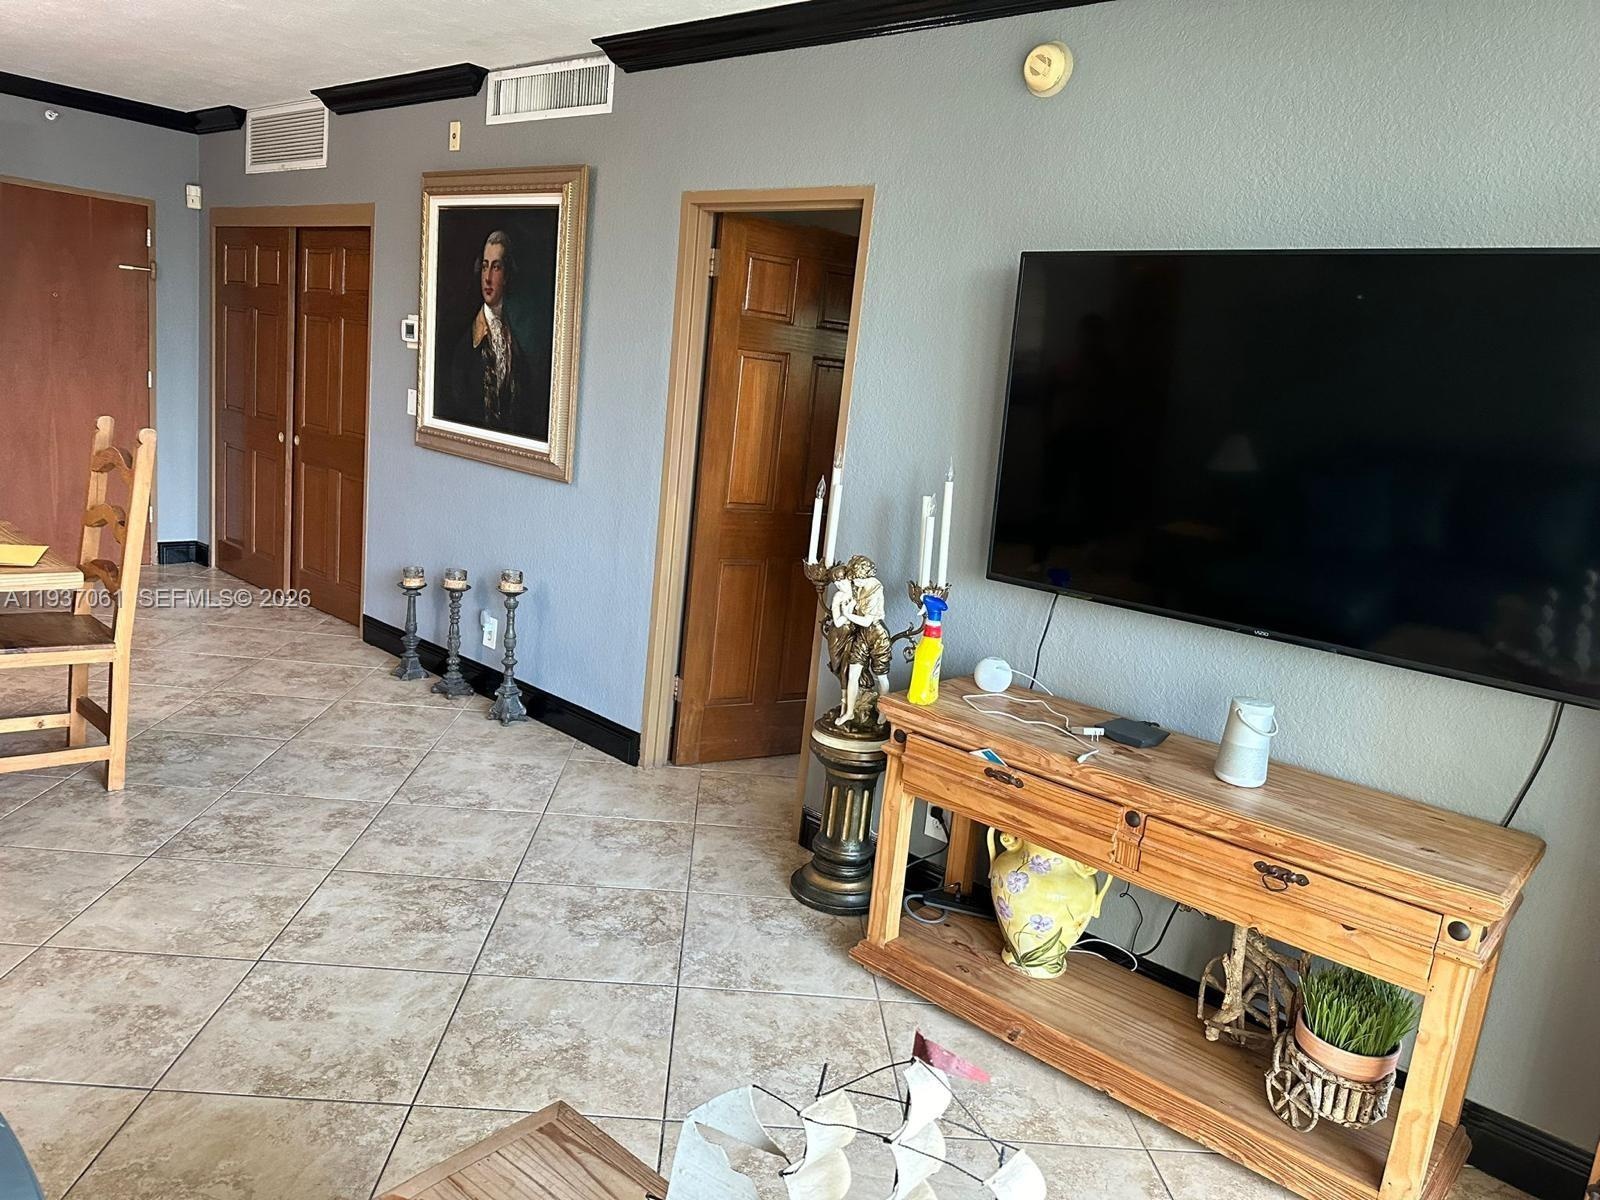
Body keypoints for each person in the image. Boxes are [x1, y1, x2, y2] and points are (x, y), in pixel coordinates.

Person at [444, 230, 546, 441]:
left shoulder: (515, 344)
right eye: (484, 266)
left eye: (496, 267)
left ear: (506, 275)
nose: (488, 278)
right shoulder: (465, 348)